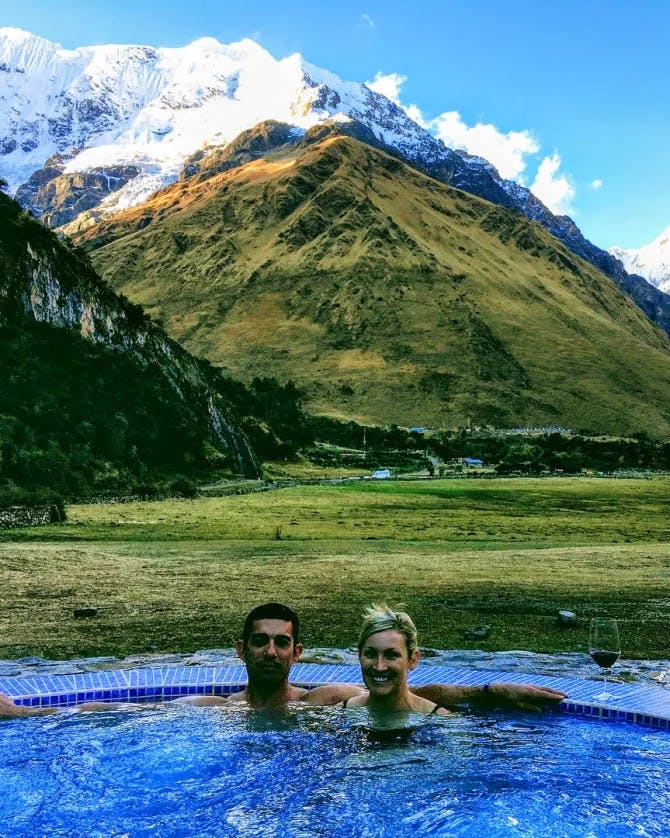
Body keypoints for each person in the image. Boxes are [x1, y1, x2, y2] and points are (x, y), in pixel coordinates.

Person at [0, 602, 566, 717]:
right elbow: (123, 708)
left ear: (298, 653)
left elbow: (412, 698)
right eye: (259, 640)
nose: (270, 650)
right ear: (240, 650)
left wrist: (493, 693)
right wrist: (22, 714)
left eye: (281, 642)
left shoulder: (323, 702)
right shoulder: (215, 708)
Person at [339, 603, 452, 717]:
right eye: (370, 654)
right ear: (359, 656)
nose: (379, 667)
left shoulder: (442, 720)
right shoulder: (339, 714)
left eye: (391, 655)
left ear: (413, 660)